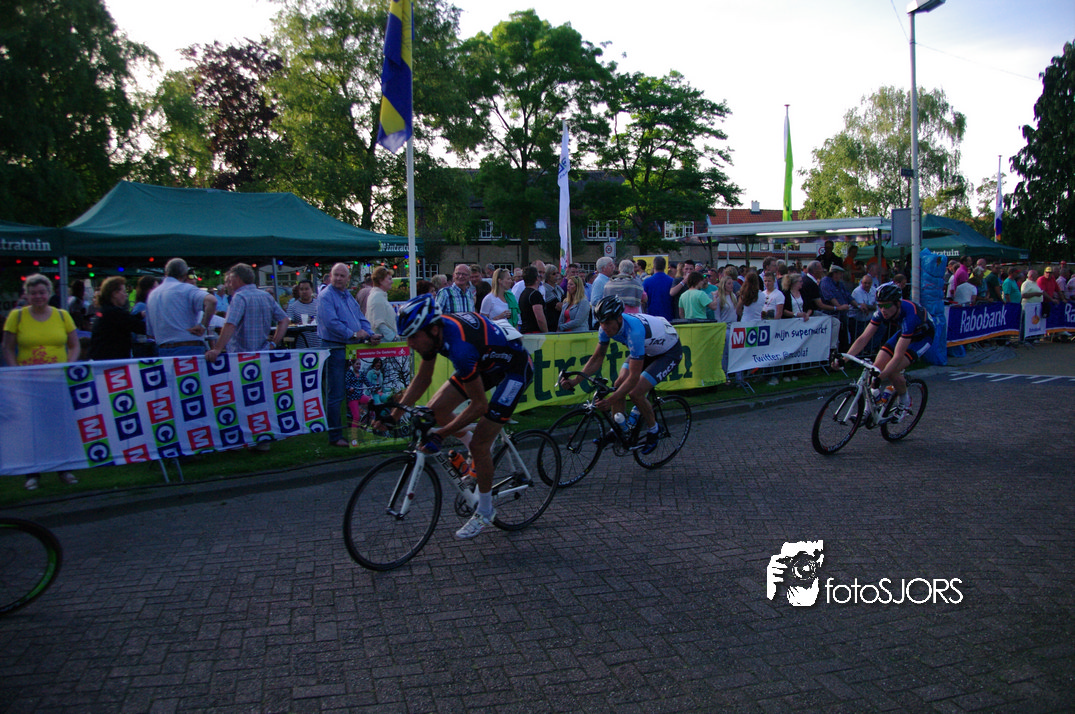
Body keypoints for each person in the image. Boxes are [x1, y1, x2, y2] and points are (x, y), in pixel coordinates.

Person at [381, 294, 534, 540]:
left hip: (514, 370)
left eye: (413, 336)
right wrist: (394, 416)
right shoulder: (434, 335)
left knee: (480, 443)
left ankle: (485, 511)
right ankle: (475, 457)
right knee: (435, 410)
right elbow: (423, 379)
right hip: (484, 363)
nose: (409, 343)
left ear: (432, 330)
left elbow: (479, 406)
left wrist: (441, 434)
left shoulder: (460, 348)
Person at [558, 296, 682, 455]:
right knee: (617, 385)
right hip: (647, 348)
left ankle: (654, 430)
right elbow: (597, 359)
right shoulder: (605, 328)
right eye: (601, 322)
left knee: (636, 392)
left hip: (668, 352)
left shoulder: (634, 332)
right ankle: (618, 430)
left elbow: (634, 378)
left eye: (607, 323)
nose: (604, 327)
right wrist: (575, 381)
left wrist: (610, 400)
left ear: (619, 318)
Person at [2, 274, 80, 489]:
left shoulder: (62, 315)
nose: (38, 296)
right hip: (28, 384)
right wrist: (15, 372)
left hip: (56, 383)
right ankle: (33, 473)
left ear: (49, 293)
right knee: (31, 428)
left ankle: (63, 469)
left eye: (42, 292)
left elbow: (74, 345)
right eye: (33, 293)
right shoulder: (17, 316)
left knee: (58, 427)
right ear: (27, 295)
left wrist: (68, 366)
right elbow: (7, 347)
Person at [837, 284, 934, 420]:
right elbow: (863, 338)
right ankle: (868, 410)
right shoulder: (881, 311)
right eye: (880, 305)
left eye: (887, 306)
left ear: (897, 304)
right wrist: (845, 359)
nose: (883, 310)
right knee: (875, 368)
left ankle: (905, 402)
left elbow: (898, 356)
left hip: (922, 338)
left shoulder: (910, 316)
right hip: (905, 333)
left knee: (893, 370)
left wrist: (880, 378)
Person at [317, 263, 383, 448]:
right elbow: (331, 323)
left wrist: (370, 334)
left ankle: (353, 428)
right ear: (330, 276)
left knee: (352, 393)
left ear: (348, 278)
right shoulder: (326, 296)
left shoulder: (347, 296)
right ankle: (335, 436)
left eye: (342, 275)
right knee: (336, 394)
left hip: (349, 349)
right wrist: (353, 334)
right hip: (334, 347)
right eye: (335, 275)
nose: (338, 278)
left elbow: (360, 318)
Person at [205, 264, 288, 360]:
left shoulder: (240, 297)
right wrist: (273, 343)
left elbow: (230, 324)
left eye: (230, 281)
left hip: (241, 356)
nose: (228, 285)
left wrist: (217, 349)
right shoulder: (266, 296)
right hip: (263, 354)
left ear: (237, 278)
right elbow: (284, 320)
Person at [146, 257, 217, 357]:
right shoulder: (187, 289)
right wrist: (203, 325)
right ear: (184, 274)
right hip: (189, 348)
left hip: (163, 350)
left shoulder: (152, 295)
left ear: (166, 272)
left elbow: (150, 333)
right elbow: (212, 301)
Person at [89, 276, 146, 360]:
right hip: (112, 361)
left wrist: (140, 315)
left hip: (102, 359)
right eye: (124, 291)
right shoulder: (114, 312)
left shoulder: (105, 310)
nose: (126, 295)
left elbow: (125, 321)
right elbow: (139, 326)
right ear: (115, 293)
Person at [285, 278, 322, 349]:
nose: (304, 292)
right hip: (301, 346)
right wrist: (300, 324)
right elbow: (289, 326)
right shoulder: (292, 307)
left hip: (319, 345)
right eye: (301, 289)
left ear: (312, 290)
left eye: (306, 289)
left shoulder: (319, 304)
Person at [365, 266, 398, 342]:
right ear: (380, 281)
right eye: (389, 279)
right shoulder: (377, 296)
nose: (392, 282)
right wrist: (393, 338)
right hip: (383, 344)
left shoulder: (379, 296)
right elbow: (378, 323)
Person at [643, 256, 675, 321]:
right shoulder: (672, 281)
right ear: (665, 267)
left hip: (652, 317)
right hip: (668, 317)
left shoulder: (647, 282)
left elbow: (643, 301)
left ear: (653, 266)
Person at [517, 266, 547, 334]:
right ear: (537, 278)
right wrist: (546, 332)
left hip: (525, 331)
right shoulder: (535, 294)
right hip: (534, 333)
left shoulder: (523, 293)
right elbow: (540, 318)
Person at [543, 265, 564, 331]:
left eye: (557, 273)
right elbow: (558, 306)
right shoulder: (544, 289)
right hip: (550, 323)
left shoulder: (559, 289)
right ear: (547, 275)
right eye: (554, 274)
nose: (557, 275)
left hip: (560, 322)